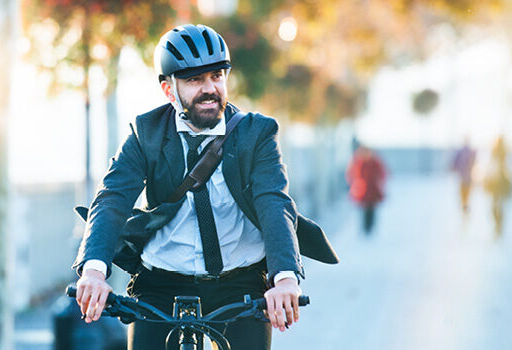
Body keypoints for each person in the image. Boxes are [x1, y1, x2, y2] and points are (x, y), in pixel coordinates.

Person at [71, 24, 331, 349]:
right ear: (169, 90)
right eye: (194, 80)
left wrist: (285, 279)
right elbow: (112, 199)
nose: (210, 88)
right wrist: (94, 272)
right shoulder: (145, 133)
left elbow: (274, 204)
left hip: (240, 283)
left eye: (217, 76)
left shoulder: (256, 133)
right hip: (160, 282)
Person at [346, 145, 387, 235]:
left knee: (371, 210)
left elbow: (382, 174)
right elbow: (351, 175)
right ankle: (365, 228)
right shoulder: (358, 163)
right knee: (363, 210)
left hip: (372, 191)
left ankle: (370, 228)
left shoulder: (375, 163)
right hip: (362, 191)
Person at [483, 135, 512, 237]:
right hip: (498, 183)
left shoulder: (502, 153)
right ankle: (498, 225)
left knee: (496, 205)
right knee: (497, 206)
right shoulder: (497, 152)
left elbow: (491, 167)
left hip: (498, 183)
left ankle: (498, 225)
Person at [451, 139, 477, 214]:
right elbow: (474, 163)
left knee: (463, 196)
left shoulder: (460, 152)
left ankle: (464, 209)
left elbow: (454, 163)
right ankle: (465, 209)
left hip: (463, 178)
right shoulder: (470, 152)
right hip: (468, 178)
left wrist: (455, 169)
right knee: (466, 196)